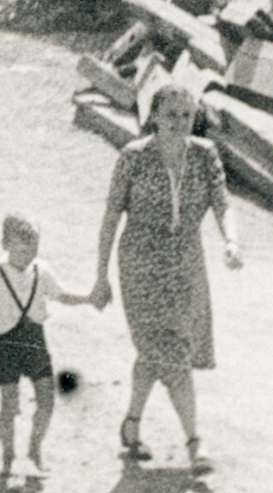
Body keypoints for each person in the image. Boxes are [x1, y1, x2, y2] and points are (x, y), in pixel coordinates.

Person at [93, 78, 242, 471]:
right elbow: (110, 216)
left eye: (187, 115)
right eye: (171, 114)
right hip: (141, 263)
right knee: (171, 353)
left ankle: (131, 423)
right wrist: (100, 276)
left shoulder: (205, 155)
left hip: (187, 265)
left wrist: (231, 241)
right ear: (154, 115)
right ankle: (195, 441)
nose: (179, 121)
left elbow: (223, 204)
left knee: (160, 351)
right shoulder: (133, 156)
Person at [0, 213, 102, 480]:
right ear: (6, 243)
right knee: (9, 403)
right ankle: (7, 458)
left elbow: (61, 295)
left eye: (34, 247)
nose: (29, 253)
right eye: (22, 246)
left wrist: (88, 298)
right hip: (7, 344)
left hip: (35, 341)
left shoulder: (41, 270)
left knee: (46, 399)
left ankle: (35, 449)